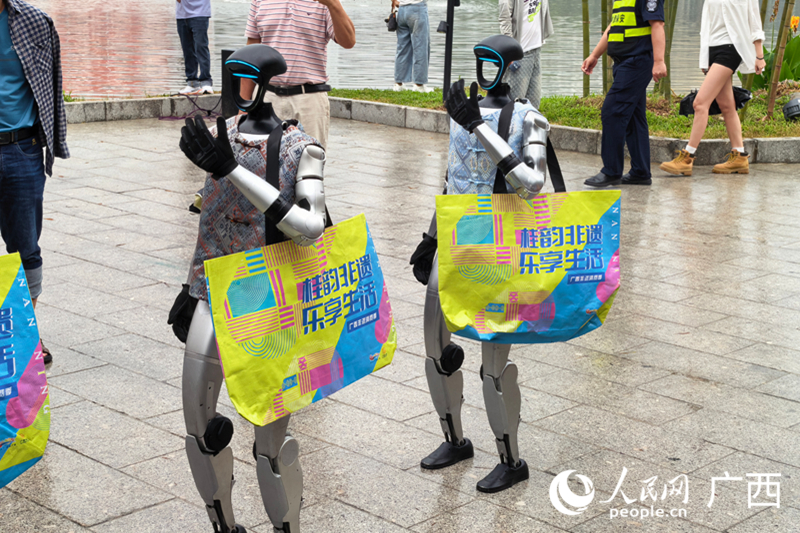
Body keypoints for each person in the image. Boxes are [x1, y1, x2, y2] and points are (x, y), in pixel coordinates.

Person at [173, 44, 329, 533]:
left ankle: (286, 526)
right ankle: (224, 524)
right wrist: (190, 284)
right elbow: (212, 211)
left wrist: (231, 170)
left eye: (247, 78)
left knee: (270, 439)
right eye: (234, 77)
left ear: (264, 82)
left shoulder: (302, 147)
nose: (239, 88)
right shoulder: (222, 136)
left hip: (271, 294)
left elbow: (311, 226)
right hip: (214, 287)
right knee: (198, 422)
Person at [410, 35, 551, 493]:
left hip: (503, 247)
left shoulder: (530, 118)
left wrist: (478, 127)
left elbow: (532, 182)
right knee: (435, 346)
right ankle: (454, 438)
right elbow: (453, 179)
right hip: (455, 240)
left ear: (511, 67)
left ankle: (511, 459)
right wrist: (430, 236)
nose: (484, 68)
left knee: (494, 365)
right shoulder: (462, 112)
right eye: (479, 60)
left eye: (493, 61)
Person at [0, 0, 69, 365]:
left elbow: (52, 88)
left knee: (26, 248)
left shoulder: (36, 22)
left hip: (21, 150)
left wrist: (54, 141)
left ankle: (26, 334)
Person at [660, 0, 765, 176]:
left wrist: (759, 56)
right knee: (727, 106)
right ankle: (739, 157)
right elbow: (707, 25)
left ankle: (687, 157)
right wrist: (704, 59)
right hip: (712, 50)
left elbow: (754, 22)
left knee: (700, 103)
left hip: (732, 49)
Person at [243, 0, 356, 149]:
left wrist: (333, 4)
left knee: (310, 160)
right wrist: (244, 107)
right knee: (262, 160)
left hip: (309, 101)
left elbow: (349, 42)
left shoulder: (324, 4)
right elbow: (251, 55)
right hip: (266, 97)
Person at [581, 0, 667, 187]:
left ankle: (611, 171)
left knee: (613, 111)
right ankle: (640, 172)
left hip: (637, 61)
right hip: (622, 62)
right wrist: (594, 55)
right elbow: (613, 27)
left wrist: (659, 61)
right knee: (634, 117)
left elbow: (657, 24)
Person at [499, 0, 553, 108]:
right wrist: (510, 50)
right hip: (519, 54)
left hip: (536, 49)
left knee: (533, 105)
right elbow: (504, 18)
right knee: (514, 105)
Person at [392, 0, 432, 93]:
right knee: (421, 47)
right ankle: (419, 85)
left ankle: (398, 84)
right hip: (417, 8)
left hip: (401, 10)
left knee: (402, 48)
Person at [176, 0, 213, 95]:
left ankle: (206, 82)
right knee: (187, 50)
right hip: (182, 15)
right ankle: (192, 83)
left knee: (201, 47)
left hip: (200, 12)